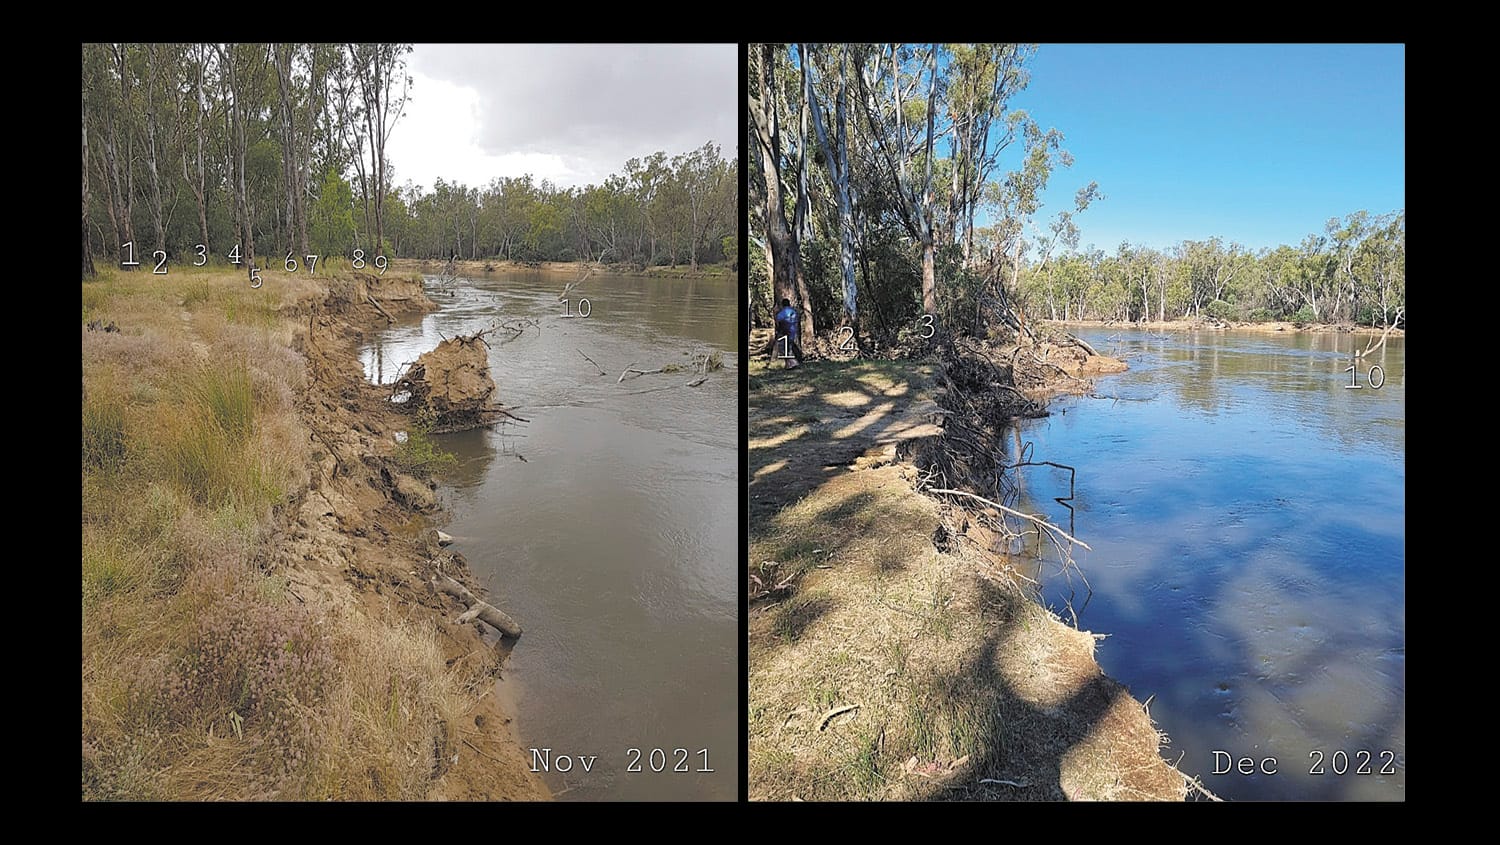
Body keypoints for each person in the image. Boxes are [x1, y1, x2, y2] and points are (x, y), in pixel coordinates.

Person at [773, 298, 804, 369]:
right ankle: (789, 364)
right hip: (793, 330)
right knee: (789, 346)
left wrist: (775, 313)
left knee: (784, 348)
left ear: (782, 305)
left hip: (785, 331)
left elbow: (778, 321)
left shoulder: (783, 312)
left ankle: (793, 363)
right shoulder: (793, 311)